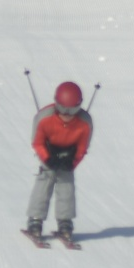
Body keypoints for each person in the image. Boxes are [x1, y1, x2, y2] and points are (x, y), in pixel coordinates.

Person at [26, 81, 94, 245]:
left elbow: (83, 147)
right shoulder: (44, 118)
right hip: (49, 153)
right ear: (56, 104)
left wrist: (72, 163)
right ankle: (35, 221)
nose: (67, 115)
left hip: (68, 156)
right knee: (44, 184)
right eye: (62, 109)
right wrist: (47, 159)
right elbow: (37, 142)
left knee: (66, 188)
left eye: (72, 110)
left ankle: (65, 223)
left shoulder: (85, 122)